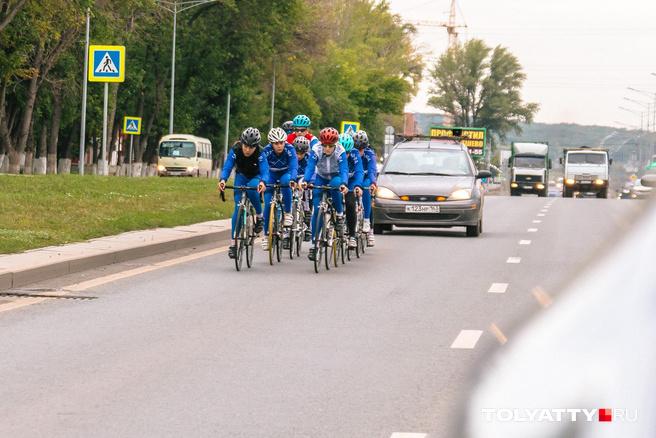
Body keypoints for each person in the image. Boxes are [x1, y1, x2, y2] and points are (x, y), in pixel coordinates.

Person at [218, 127, 268, 259]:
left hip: (255, 177)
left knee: (253, 189)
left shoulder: (261, 152)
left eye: (251, 147)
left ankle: (259, 215)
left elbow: (265, 170)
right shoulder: (235, 149)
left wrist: (263, 182)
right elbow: (228, 166)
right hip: (241, 176)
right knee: (238, 207)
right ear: (241, 143)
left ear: (255, 146)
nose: (247, 149)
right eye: (245, 146)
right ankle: (233, 243)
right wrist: (223, 179)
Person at [301, 127, 348, 261]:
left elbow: (344, 169)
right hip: (321, 177)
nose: (327, 148)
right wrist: (305, 180)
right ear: (321, 143)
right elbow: (310, 167)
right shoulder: (316, 149)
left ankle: (339, 214)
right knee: (316, 210)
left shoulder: (340, 151)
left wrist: (344, 183)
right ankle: (315, 244)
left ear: (335, 144)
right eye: (325, 145)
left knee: (335, 187)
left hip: (335, 176)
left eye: (330, 146)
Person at [261, 127, 298, 250]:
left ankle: (287, 213)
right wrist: (263, 181)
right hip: (270, 175)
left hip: (285, 173)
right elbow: (263, 168)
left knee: (285, 182)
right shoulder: (266, 151)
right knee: (267, 205)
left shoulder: (290, 149)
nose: (279, 146)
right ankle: (266, 235)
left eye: (281, 142)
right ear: (271, 143)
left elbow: (293, 165)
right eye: (276, 143)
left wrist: (293, 178)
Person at [353, 130, 378, 247]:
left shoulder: (369, 154)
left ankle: (368, 224)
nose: (360, 152)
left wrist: (373, 182)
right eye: (357, 149)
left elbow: (372, 170)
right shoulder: (352, 154)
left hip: (366, 178)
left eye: (362, 149)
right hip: (355, 178)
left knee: (367, 191)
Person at [340, 133, 364, 249]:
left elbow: (359, 171)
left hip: (352, 181)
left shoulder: (354, 154)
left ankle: (352, 236)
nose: (346, 155)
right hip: (340, 180)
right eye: (344, 153)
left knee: (350, 203)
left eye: (347, 153)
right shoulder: (335, 152)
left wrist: (358, 186)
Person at [294, 136, 313, 241]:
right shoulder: (291, 157)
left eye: (301, 154)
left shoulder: (309, 158)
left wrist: (306, 181)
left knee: (306, 193)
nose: (299, 156)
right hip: (293, 179)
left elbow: (311, 171)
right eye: (297, 153)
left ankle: (307, 216)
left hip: (304, 179)